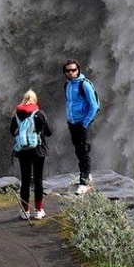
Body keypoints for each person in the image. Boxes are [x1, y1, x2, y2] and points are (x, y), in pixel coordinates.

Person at [10, 89, 54, 219]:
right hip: (38, 150)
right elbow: (50, 132)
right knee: (38, 180)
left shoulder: (16, 114)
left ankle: (25, 212)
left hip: (23, 151)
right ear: (34, 100)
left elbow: (13, 131)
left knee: (25, 180)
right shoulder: (40, 113)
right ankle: (39, 211)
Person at [62, 59, 99, 194]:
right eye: (68, 71)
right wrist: (69, 119)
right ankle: (86, 175)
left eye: (73, 70)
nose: (71, 73)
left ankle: (85, 182)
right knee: (78, 150)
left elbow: (94, 105)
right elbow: (70, 103)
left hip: (82, 123)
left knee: (84, 151)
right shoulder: (67, 85)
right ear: (65, 72)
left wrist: (85, 122)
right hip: (72, 122)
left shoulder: (84, 85)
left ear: (78, 70)